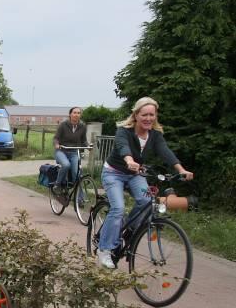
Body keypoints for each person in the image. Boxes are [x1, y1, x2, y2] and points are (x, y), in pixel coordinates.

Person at [97, 97, 193, 269]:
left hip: (135, 174)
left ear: (155, 116)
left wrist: (181, 170)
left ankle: (125, 228)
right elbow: (122, 146)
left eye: (152, 115)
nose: (148, 118)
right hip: (114, 173)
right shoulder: (124, 131)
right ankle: (104, 249)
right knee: (118, 208)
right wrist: (129, 159)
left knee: (147, 201)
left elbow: (166, 152)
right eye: (144, 115)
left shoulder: (155, 135)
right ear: (136, 115)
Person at [52, 107, 88, 195]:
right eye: (74, 112)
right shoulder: (63, 125)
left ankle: (80, 199)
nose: (76, 115)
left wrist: (88, 145)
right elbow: (56, 138)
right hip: (61, 151)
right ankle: (57, 184)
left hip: (74, 152)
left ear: (80, 115)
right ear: (70, 114)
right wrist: (57, 144)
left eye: (78, 113)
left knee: (76, 173)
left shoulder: (83, 126)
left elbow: (84, 140)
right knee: (66, 165)